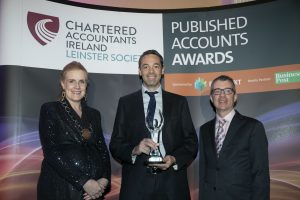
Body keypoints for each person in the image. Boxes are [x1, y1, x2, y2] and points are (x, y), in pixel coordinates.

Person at [109, 49, 198, 200]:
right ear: (139, 71)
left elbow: (191, 142)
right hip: (137, 185)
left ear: (162, 70)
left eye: (156, 66)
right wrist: (135, 149)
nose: (151, 71)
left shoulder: (179, 102)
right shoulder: (126, 103)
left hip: (172, 186)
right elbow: (116, 144)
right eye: (146, 66)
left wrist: (174, 159)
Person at [37, 61, 111, 200]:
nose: (77, 86)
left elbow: (102, 149)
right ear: (63, 84)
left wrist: (104, 180)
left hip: (93, 191)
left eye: (81, 82)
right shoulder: (50, 109)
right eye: (72, 81)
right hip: (60, 188)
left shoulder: (94, 114)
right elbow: (51, 152)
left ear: (86, 85)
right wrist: (83, 182)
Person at [199, 75, 270, 200]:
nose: (222, 95)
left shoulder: (253, 127)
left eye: (228, 91)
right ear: (211, 98)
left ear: (235, 96)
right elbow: (203, 173)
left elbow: (260, 173)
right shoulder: (204, 130)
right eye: (217, 91)